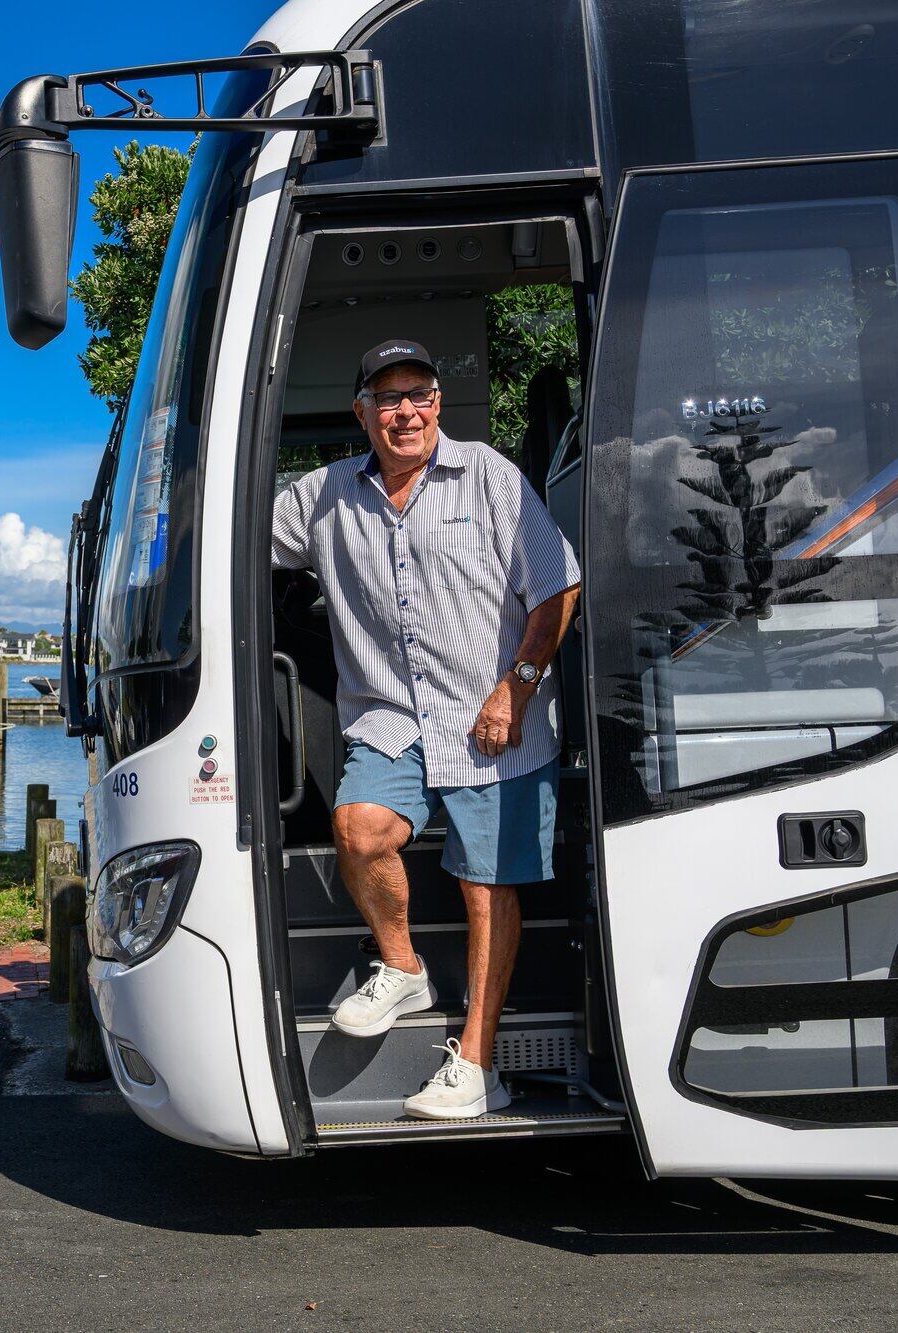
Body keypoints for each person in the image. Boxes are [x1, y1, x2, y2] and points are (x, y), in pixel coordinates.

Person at [271, 339, 581, 1120]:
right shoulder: (323, 494)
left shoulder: (489, 474)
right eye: (388, 398)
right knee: (358, 826)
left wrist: (518, 686)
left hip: (493, 718)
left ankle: (475, 1063)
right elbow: (230, 538)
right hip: (391, 717)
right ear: (363, 413)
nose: (404, 411)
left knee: (485, 886)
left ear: (438, 404)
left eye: (419, 395)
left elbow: (557, 585)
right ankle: (404, 966)